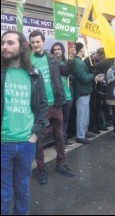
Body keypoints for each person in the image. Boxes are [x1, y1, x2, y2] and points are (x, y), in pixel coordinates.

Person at [1, 31, 48, 215]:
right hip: (3, 143)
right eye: (2, 42)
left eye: (10, 43)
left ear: (21, 47)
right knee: (4, 192)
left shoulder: (34, 74)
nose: (5, 46)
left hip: (26, 143)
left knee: (23, 189)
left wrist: (35, 135)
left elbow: (43, 105)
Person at [29, 31, 75, 185]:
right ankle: (41, 168)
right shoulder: (27, 61)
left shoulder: (53, 59)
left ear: (43, 42)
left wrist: (71, 59)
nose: (35, 44)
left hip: (56, 104)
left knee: (59, 136)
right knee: (38, 140)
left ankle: (61, 164)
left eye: (38, 41)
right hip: (39, 107)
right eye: (33, 42)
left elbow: (66, 72)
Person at [50, 42, 75, 148]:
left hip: (68, 95)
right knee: (57, 122)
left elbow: (71, 75)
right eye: (54, 49)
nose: (56, 51)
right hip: (57, 97)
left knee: (65, 120)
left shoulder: (67, 62)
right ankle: (59, 143)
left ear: (62, 50)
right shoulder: (50, 63)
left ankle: (63, 140)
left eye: (58, 49)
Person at [73, 42, 94, 144]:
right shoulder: (79, 63)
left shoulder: (79, 62)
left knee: (85, 114)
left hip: (84, 92)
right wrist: (93, 74)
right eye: (84, 48)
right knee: (82, 115)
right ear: (81, 49)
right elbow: (84, 78)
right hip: (82, 92)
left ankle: (84, 132)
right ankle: (80, 136)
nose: (85, 50)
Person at [84, 47, 108, 133]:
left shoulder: (100, 61)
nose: (102, 60)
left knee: (98, 106)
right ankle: (92, 126)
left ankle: (99, 124)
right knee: (92, 106)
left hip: (99, 86)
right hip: (92, 87)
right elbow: (87, 73)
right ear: (97, 54)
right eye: (101, 58)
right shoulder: (88, 61)